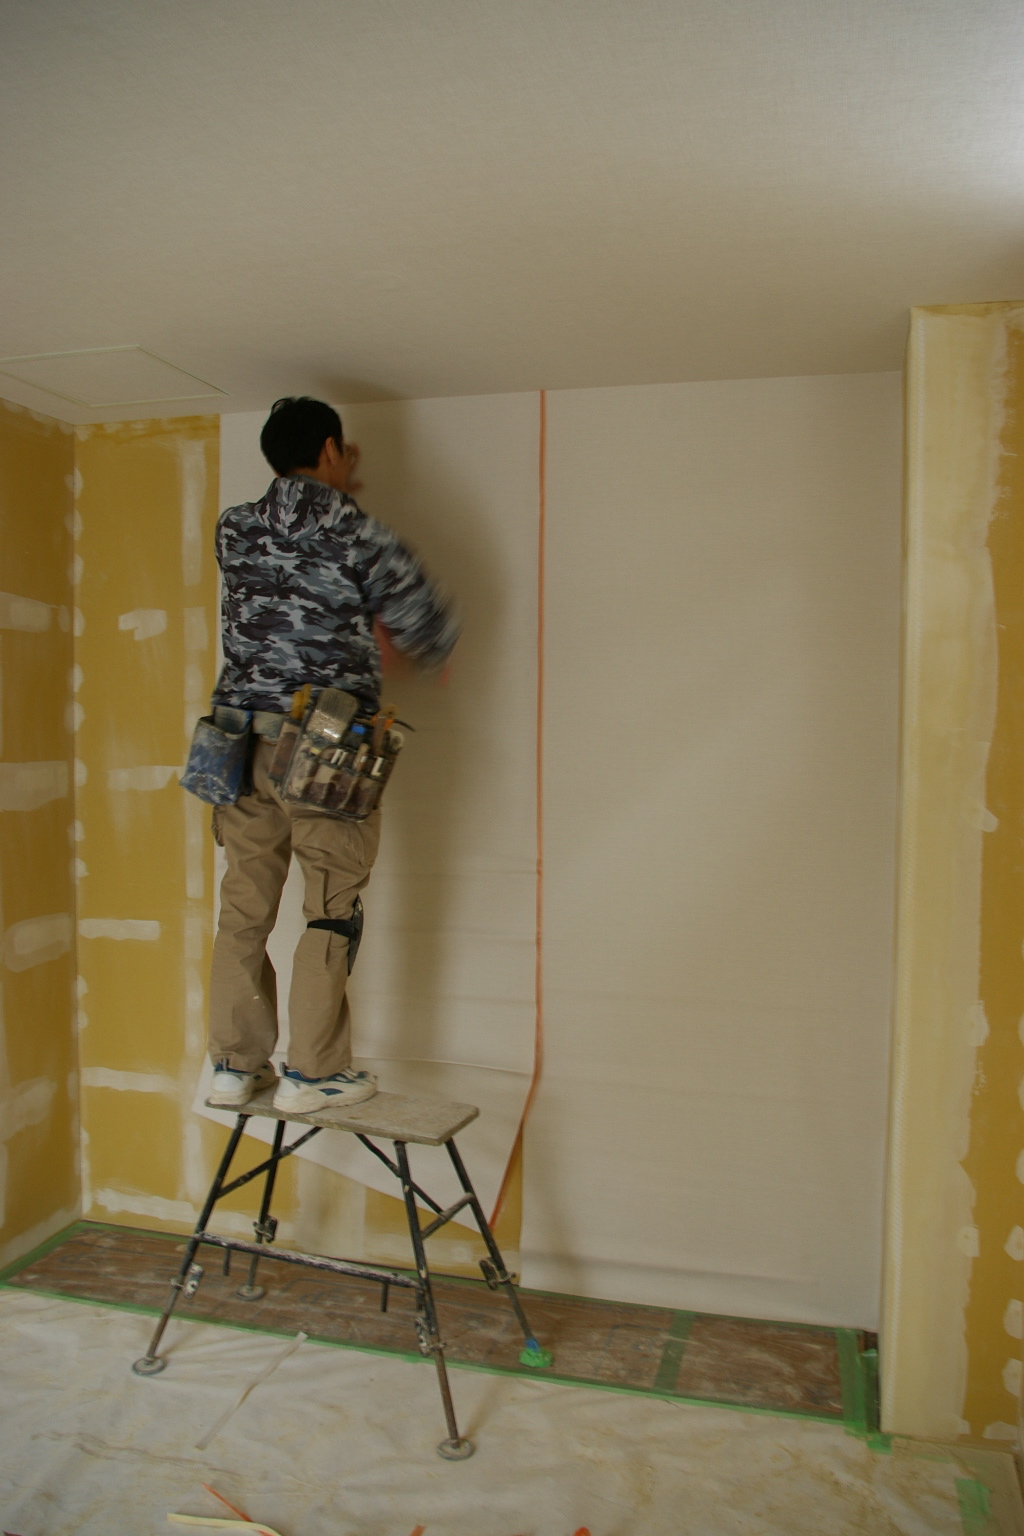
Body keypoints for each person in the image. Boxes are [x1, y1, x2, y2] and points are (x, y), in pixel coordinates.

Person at [205, 396, 459, 1114]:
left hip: (236, 741)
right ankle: (313, 1075)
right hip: (324, 746)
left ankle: (233, 1066)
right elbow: (428, 626)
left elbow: (283, 568)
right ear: (327, 449)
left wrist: (329, 491)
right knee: (329, 908)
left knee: (244, 906)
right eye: (341, 451)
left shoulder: (233, 527)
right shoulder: (359, 532)